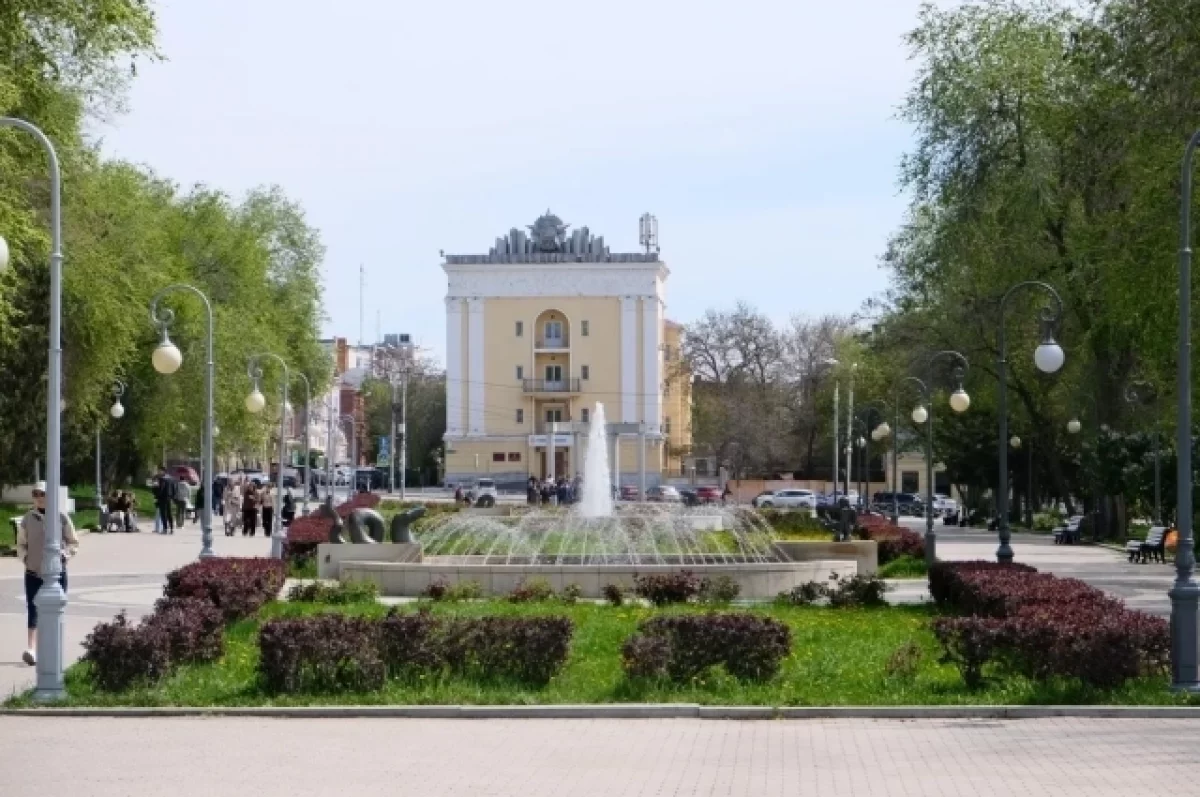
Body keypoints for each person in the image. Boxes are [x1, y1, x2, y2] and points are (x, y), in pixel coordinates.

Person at [17, 482, 79, 666]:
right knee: (33, 610)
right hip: (33, 573)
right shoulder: (28, 518)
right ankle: (32, 649)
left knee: (56, 610)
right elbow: (20, 543)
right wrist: (26, 558)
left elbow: (73, 542)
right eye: (36, 494)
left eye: (42, 494)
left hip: (57, 573)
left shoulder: (61, 517)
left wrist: (65, 555)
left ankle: (53, 648)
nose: (39, 498)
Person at [154, 468, 176, 534]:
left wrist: (157, 496)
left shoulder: (162, 479)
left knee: (163, 514)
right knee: (169, 513)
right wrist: (173, 497)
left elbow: (161, 489)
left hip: (163, 498)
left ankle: (165, 529)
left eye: (160, 471)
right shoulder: (171, 479)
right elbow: (174, 489)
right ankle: (172, 528)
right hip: (169, 498)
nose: (159, 472)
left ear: (163, 471)